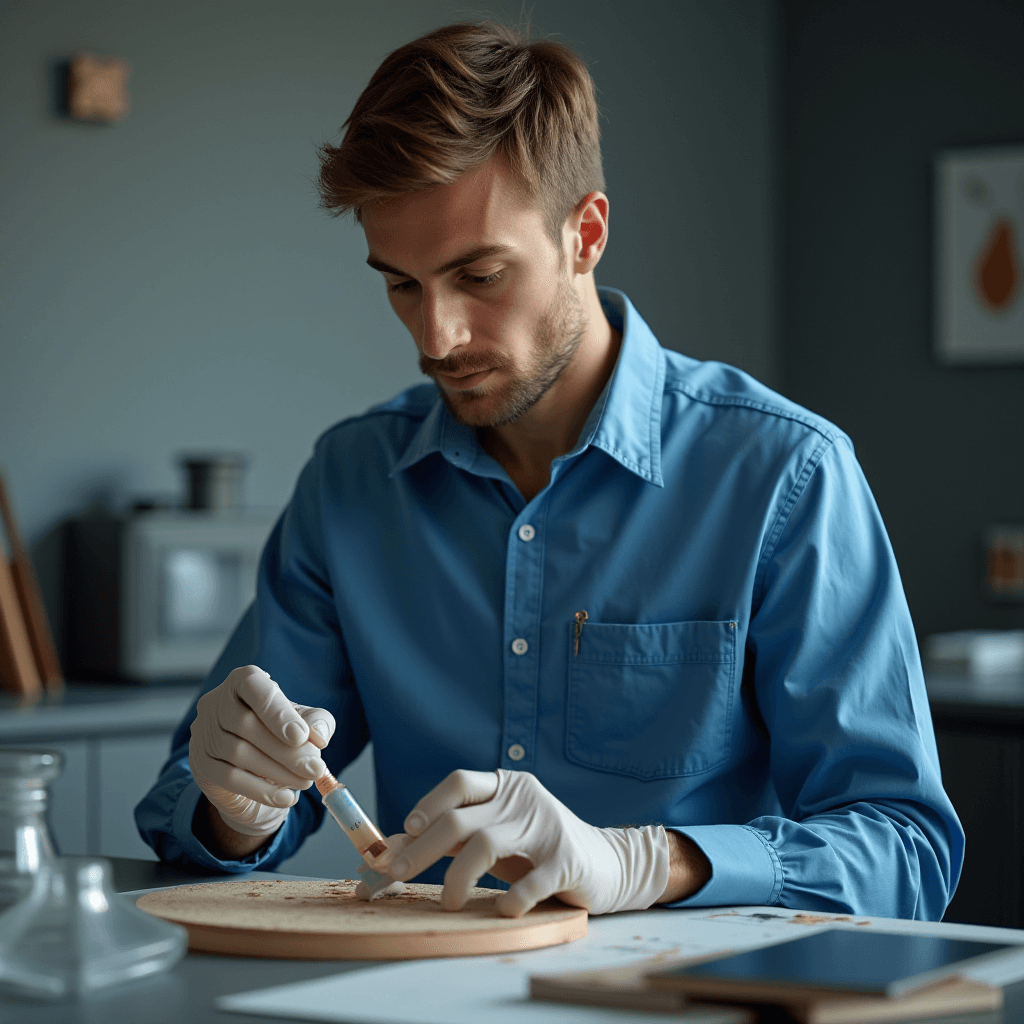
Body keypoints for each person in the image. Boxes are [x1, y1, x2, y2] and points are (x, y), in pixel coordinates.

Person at [136, 20, 963, 920]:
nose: (436, 337)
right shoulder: (350, 481)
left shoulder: (785, 474)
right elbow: (190, 813)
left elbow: (905, 849)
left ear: (587, 233)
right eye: (401, 284)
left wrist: (646, 863)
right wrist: (235, 813)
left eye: (479, 275)